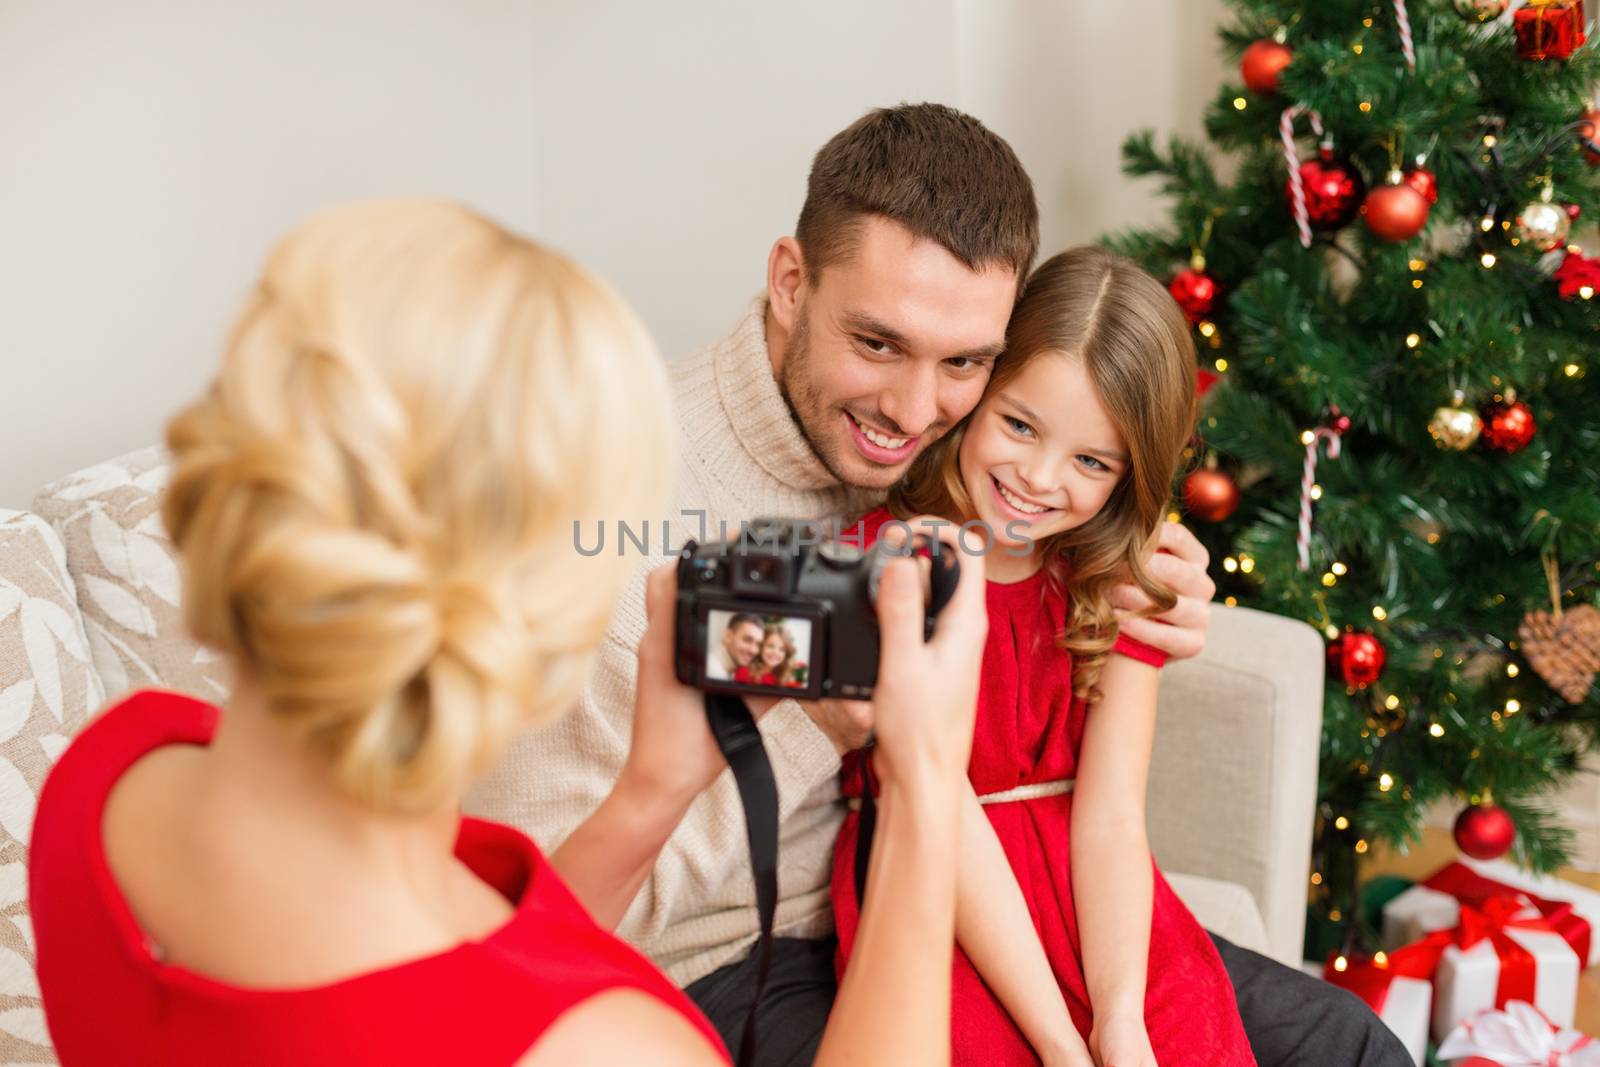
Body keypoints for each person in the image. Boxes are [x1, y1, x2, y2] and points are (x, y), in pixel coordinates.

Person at [468, 104, 1407, 1067]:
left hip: (980, 894)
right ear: (791, 282)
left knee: (1348, 1045)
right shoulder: (609, 517)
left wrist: (1152, 564)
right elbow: (523, 922)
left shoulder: (956, 453)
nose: (915, 412)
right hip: (739, 955)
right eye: (877, 344)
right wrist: (828, 713)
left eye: (963, 363)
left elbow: (1067, 463)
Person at [27, 200, 993, 1065]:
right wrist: (922, 772)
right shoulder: (611, 1042)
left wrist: (651, 791)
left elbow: (487, 964)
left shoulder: (110, 777)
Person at [831, 247, 1251, 1067]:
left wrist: (1119, 1016)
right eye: (1019, 425)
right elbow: (939, 807)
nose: (1037, 477)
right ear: (978, 393)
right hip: (939, 877)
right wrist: (1062, 1042)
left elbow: (1112, 813)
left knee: (1181, 1034)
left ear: (1130, 477)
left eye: (1092, 461)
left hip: (1100, 898)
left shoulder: (1118, 581)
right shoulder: (893, 563)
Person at [710, 613, 765, 681]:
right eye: (747, 640)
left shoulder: (731, 672)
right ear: (728, 636)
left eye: (758, 644)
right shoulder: (714, 673)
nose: (753, 650)